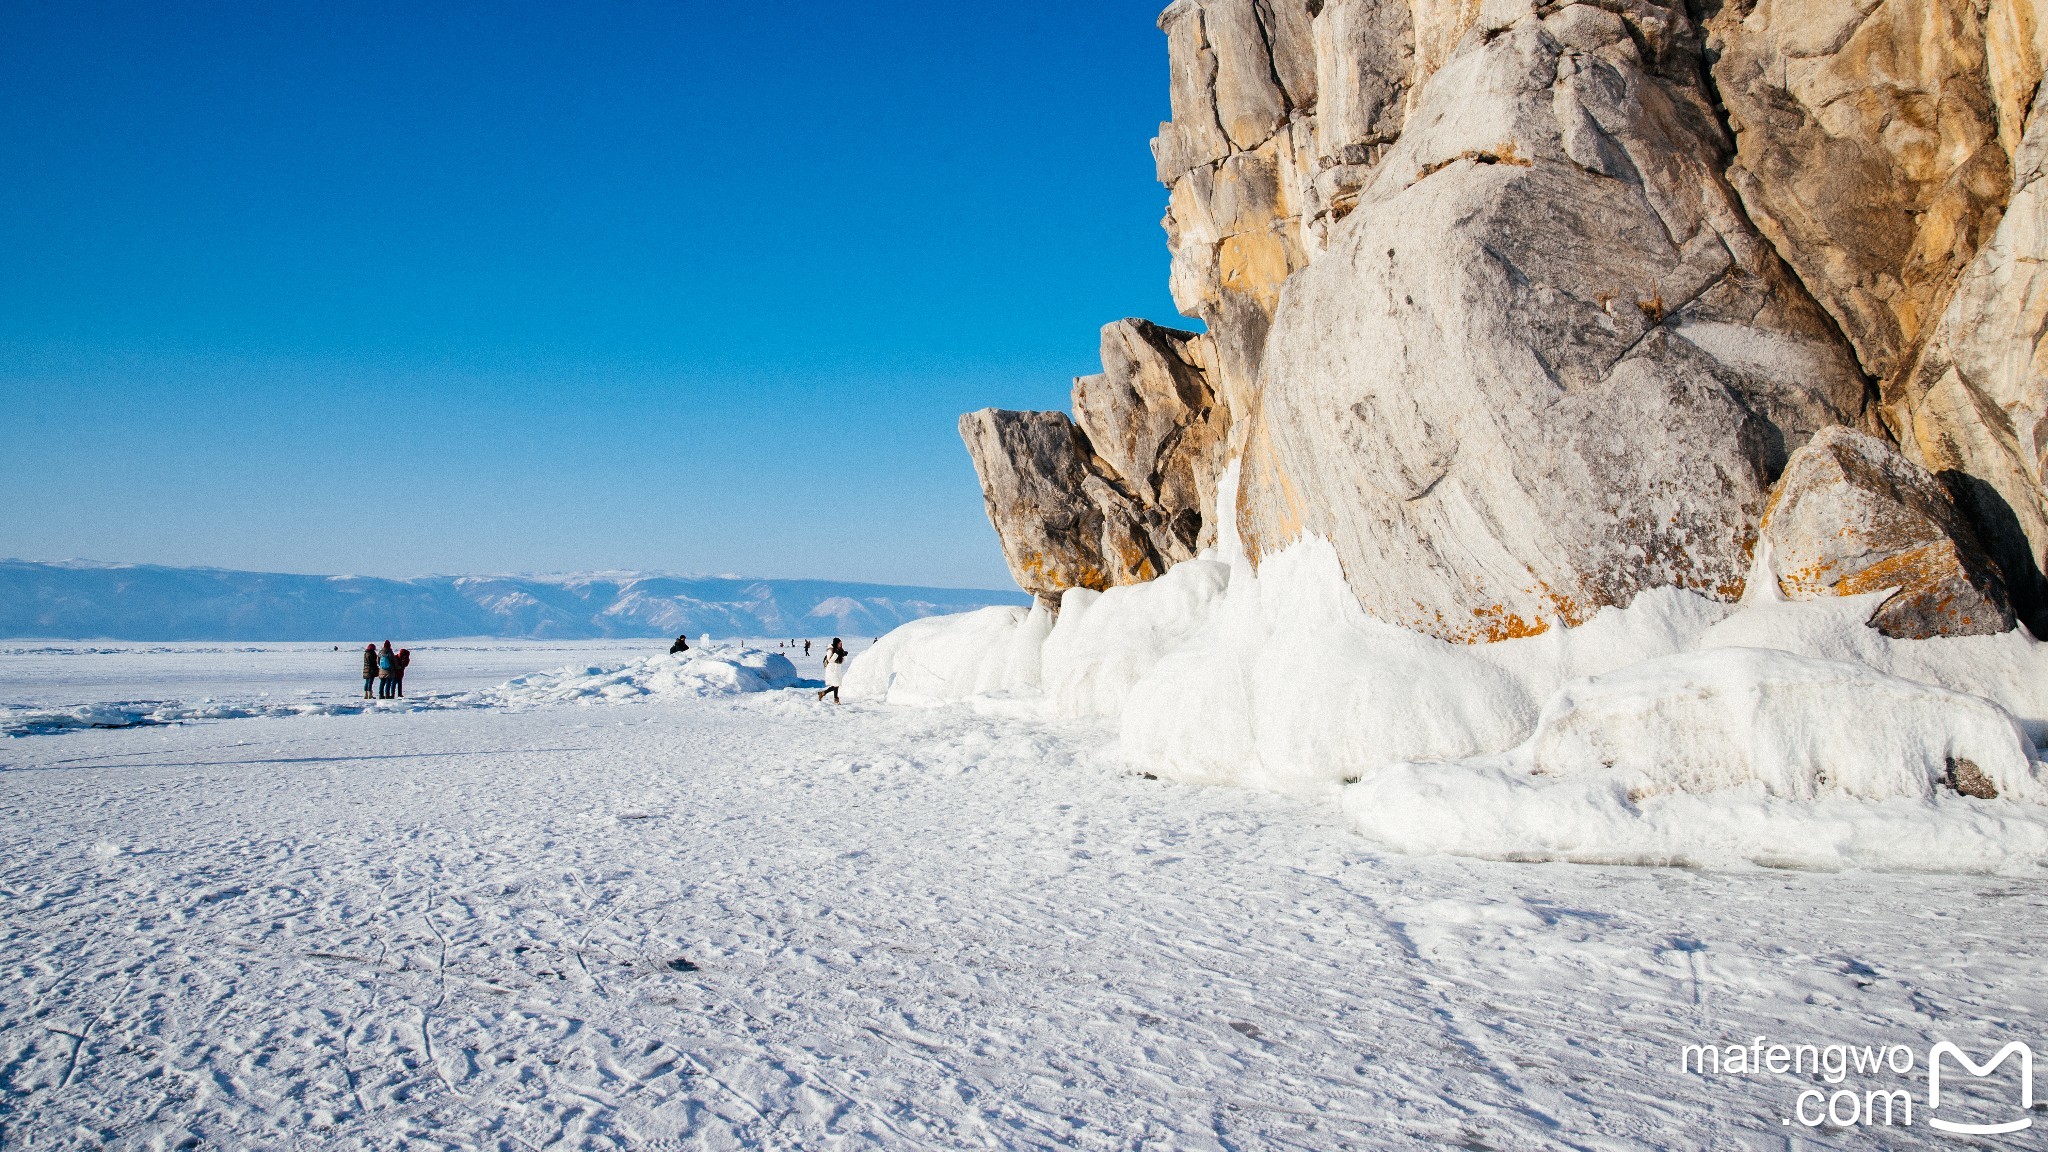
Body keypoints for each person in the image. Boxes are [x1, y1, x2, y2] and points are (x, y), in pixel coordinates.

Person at [817, 637, 848, 704]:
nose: (841, 645)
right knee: (836, 684)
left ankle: (822, 693)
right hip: (832, 669)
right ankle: (836, 699)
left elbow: (842, 661)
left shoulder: (840, 650)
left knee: (836, 684)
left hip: (837, 669)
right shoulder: (831, 649)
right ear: (836, 643)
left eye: (841, 643)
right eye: (839, 643)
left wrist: (844, 655)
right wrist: (836, 653)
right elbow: (830, 660)